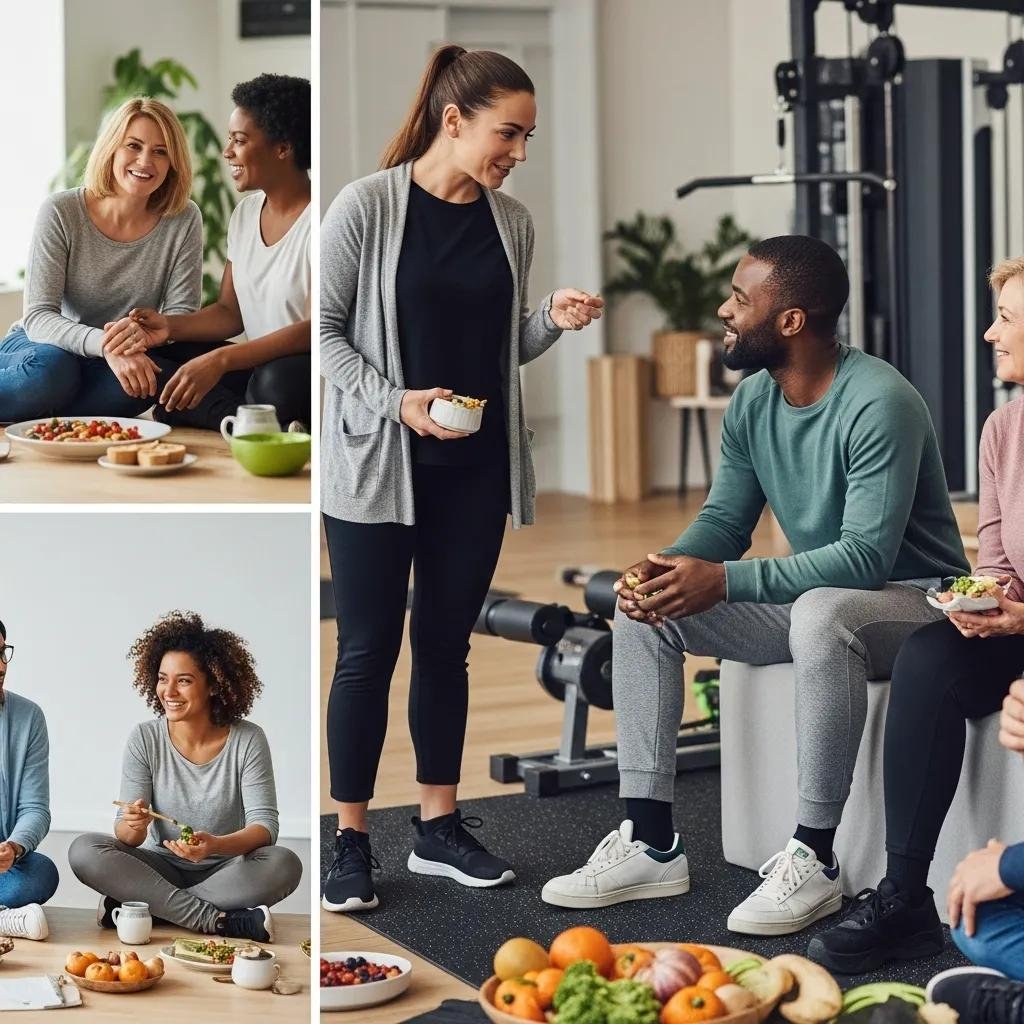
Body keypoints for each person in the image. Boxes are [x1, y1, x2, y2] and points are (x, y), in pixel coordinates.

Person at [542, 235, 969, 936]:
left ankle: (815, 857)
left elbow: (864, 558)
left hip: (917, 604)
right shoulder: (752, 404)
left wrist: (726, 580)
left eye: (741, 298)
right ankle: (650, 843)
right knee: (648, 613)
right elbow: (724, 522)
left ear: (792, 320)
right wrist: (667, 567)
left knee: (823, 614)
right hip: (820, 602)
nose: (724, 309)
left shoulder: (880, 401)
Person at [319, 44, 603, 913]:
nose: (517, 152)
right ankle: (351, 838)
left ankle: (438, 828)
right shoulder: (366, 207)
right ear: (455, 120)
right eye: (507, 133)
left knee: (446, 646)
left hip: (473, 470)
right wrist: (397, 403)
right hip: (377, 468)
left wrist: (548, 322)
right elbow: (326, 338)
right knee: (367, 651)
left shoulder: (510, 221)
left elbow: (502, 347)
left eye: (526, 137)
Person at [809, 256, 1024, 973]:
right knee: (931, 653)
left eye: (1008, 320)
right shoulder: (1003, 429)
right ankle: (905, 898)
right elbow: (994, 556)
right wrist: (988, 600)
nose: (991, 333)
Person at [69, 612, 302, 942]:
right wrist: (132, 826)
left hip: (225, 870)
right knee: (83, 849)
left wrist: (216, 845)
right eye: (163, 678)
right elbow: (127, 836)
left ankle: (146, 909)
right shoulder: (145, 738)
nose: (169, 691)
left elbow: (265, 828)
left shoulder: (248, 739)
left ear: (213, 685)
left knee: (284, 864)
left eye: (184, 680)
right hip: (157, 867)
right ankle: (217, 921)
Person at [102, 74, 312, 429]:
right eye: (230, 139)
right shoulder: (245, 214)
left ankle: (231, 417)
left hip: (298, 369)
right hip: (253, 365)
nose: (227, 151)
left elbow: (311, 330)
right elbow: (230, 313)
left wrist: (222, 360)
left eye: (240, 140)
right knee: (161, 356)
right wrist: (167, 326)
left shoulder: (320, 218)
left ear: (283, 148)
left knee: (273, 383)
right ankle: (244, 424)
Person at [0, 98, 203, 421]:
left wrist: (132, 338)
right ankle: (40, 403)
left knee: (142, 383)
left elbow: (180, 314)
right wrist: (107, 344)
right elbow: (39, 316)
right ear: (111, 148)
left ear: (173, 162)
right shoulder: (61, 211)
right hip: (42, 346)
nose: (145, 161)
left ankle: (40, 417)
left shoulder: (183, 218)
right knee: (53, 373)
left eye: (160, 151)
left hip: (114, 355)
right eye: (133, 146)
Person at [0, 621, 58, 941]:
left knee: (41, 874)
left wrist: (14, 846)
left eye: (2, 653)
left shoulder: (29, 717)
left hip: (4, 868)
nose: (0, 666)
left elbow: (36, 808)